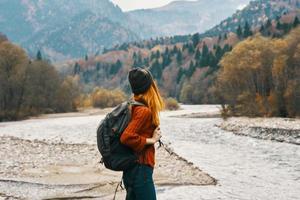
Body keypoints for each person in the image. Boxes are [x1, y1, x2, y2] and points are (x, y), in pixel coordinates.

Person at [120, 67, 164, 200]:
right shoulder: (144, 111)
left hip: (132, 169)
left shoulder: (133, 106)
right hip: (140, 170)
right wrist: (152, 140)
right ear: (150, 87)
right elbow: (126, 137)